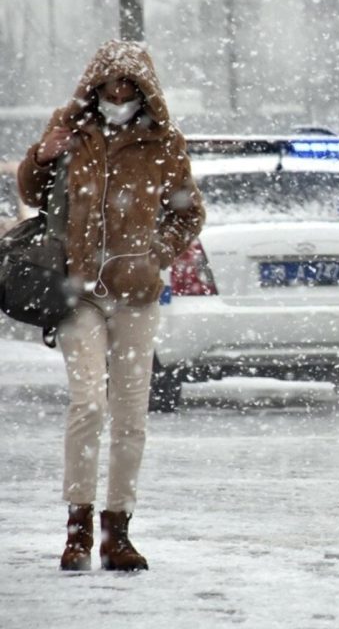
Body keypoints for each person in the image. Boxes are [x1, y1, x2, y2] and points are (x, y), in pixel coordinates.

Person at [17, 40, 205, 571]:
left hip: (136, 295)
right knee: (88, 405)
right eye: (109, 84)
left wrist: (155, 256)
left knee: (130, 417)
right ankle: (76, 529)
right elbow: (32, 194)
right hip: (77, 292)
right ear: (94, 86)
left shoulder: (164, 143)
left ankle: (116, 532)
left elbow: (188, 215)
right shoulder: (72, 130)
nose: (118, 94)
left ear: (145, 90)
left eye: (129, 85)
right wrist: (43, 155)